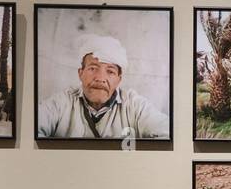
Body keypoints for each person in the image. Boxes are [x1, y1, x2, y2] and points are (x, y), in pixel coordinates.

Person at [36, 35, 169, 139]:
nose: (100, 78)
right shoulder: (61, 102)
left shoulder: (135, 105)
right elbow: (30, 131)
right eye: (93, 68)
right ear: (80, 73)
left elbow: (167, 133)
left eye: (110, 71)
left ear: (119, 80)